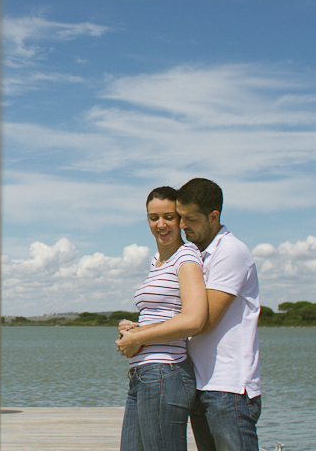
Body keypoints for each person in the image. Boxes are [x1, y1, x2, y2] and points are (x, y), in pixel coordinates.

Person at [115, 186, 208, 451]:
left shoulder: (186, 257)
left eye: (169, 216)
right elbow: (165, 312)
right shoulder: (157, 259)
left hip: (165, 373)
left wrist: (139, 337)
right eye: (154, 218)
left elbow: (193, 319)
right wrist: (131, 328)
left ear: (180, 219)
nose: (161, 224)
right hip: (142, 374)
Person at [176, 178, 261, 451]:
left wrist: (146, 333)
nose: (182, 225)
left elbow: (203, 320)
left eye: (190, 218)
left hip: (229, 388)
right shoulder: (197, 254)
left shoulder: (231, 251)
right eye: (180, 217)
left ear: (214, 217)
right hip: (201, 385)